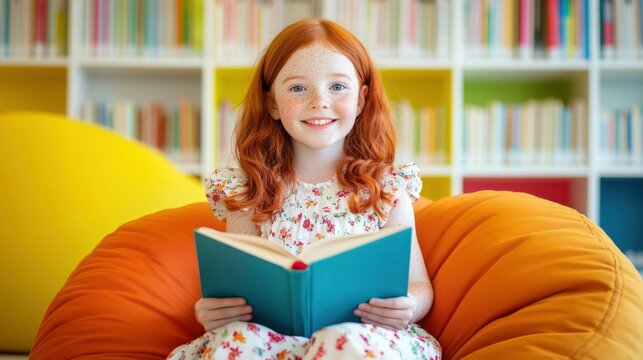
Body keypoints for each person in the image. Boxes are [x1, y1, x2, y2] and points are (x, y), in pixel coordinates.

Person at [168, 18, 441, 360]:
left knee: (348, 345)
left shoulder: (386, 188)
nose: (319, 102)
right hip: (273, 343)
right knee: (231, 344)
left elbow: (419, 285)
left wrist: (407, 307)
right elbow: (236, 292)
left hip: (362, 338)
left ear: (361, 98)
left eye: (337, 87)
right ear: (272, 104)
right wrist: (214, 312)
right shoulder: (248, 191)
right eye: (298, 88)